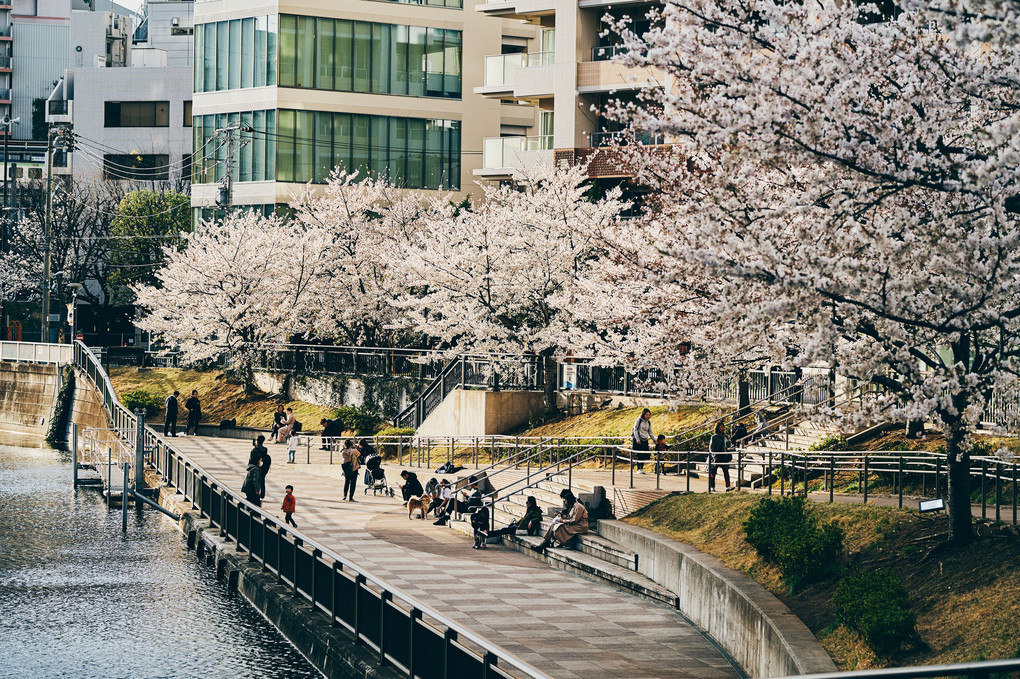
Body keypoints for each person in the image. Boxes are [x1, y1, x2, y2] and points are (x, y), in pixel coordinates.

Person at [708, 421, 733, 491]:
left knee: (726, 471)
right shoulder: (714, 437)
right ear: (718, 428)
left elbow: (727, 446)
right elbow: (711, 447)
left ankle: (728, 486)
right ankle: (712, 486)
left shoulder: (725, 436)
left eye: (724, 427)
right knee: (713, 472)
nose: (723, 428)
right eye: (722, 427)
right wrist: (714, 455)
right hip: (717, 456)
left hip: (724, 456)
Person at [631, 408, 653, 474]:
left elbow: (650, 432)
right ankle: (638, 468)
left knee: (644, 455)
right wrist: (637, 438)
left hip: (644, 439)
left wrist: (654, 439)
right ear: (643, 414)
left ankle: (641, 468)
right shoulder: (639, 420)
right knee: (639, 454)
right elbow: (635, 429)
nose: (648, 416)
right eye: (647, 415)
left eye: (649, 415)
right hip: (638, 440)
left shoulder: (648, 422)